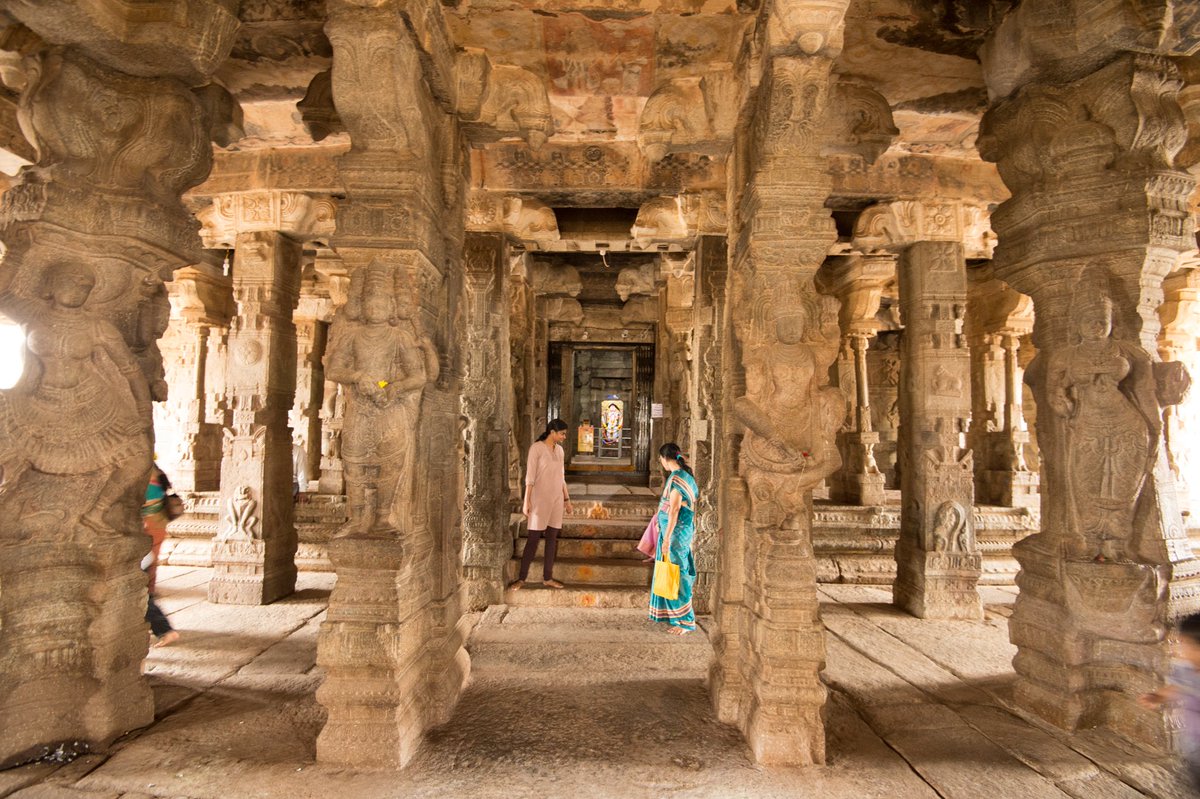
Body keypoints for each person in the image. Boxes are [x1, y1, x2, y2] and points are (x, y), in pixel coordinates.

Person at [510, 419, 573, 590]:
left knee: (552, 540)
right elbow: (530, 478)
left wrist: (567, 500)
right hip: (539, 499)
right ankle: (521, 578)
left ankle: (547, 577)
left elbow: (562, 478)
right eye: (562, 433)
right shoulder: (536, 448)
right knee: (533, 540)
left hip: (556, 500)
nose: (564, 437)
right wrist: (526, 501)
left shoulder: (559, 450)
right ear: (552, 432)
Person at [1141, 613, 1200, 791]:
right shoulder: (1185, 668)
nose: (1181, 650)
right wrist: (1158, 697)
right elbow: (1177, 686)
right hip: (1194, 747)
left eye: (1186, 644)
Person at [649, 442, 699, 635]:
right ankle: (676, 616)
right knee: (673, 570)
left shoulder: (678, 479)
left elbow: (675, 509)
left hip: (677, 533)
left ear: (664, 459)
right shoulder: (683, 476)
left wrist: (668, 538)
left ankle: (686, 621)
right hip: (675, 531)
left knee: (677, 572)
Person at [143, 467, 179, 647]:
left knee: (141, 584)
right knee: (148, 571)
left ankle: (163, 628)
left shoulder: (148, 478)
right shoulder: (156, 473)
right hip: (156, 525)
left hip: (148, 528)